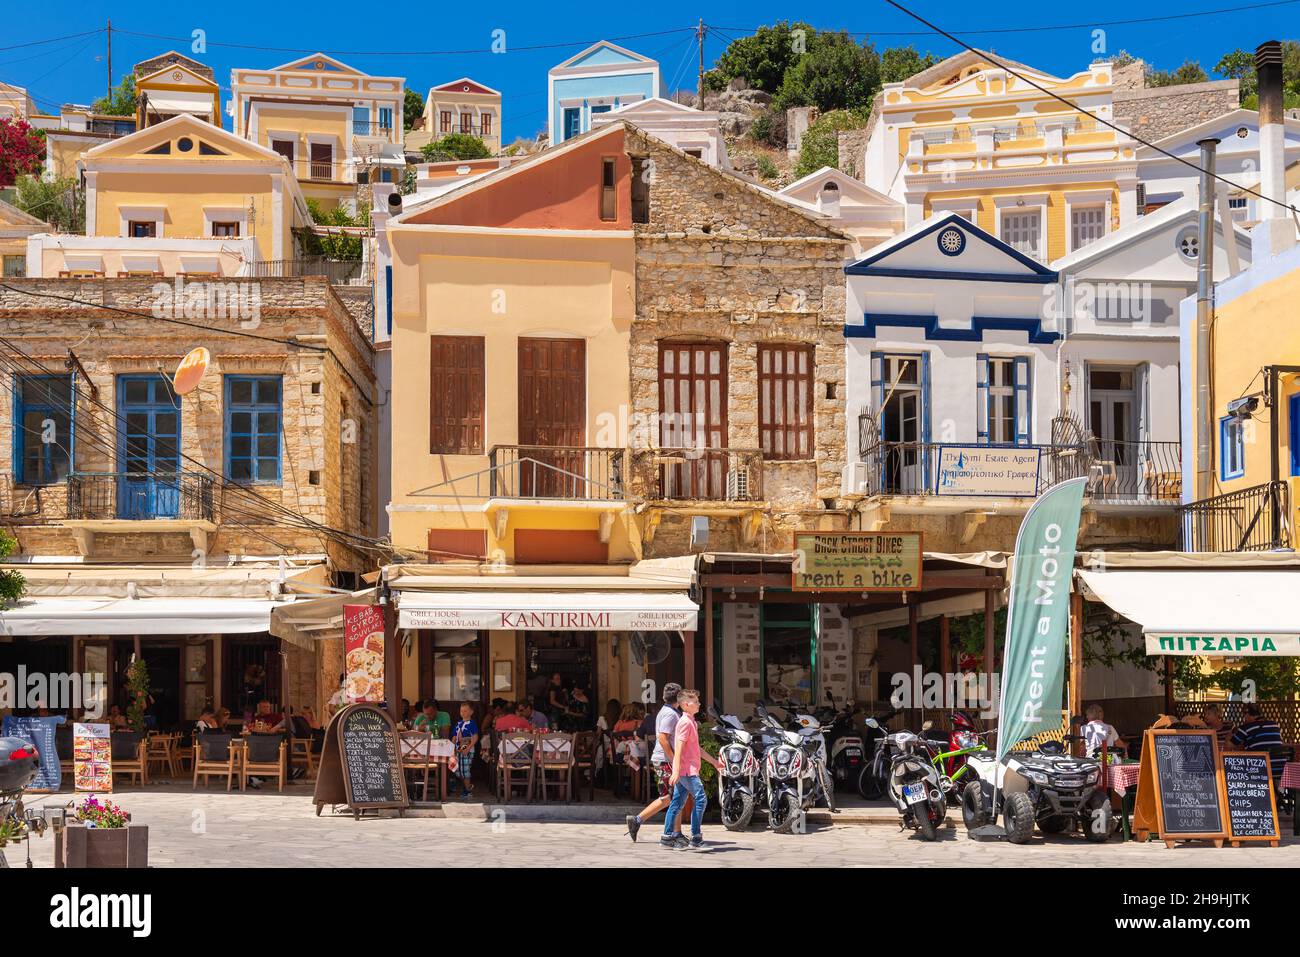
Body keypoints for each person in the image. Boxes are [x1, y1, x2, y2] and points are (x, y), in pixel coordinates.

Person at [660, 689, 723, 850]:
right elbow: (679, 748)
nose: (699, 704)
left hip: (686, 770)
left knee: (677, 802)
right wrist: (675, 770)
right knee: (701, 799)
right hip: (687, 771)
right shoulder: (685, 723)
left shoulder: (691, 722)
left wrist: (714, 762)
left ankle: (667, 837)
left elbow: (697, 749)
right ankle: (696, 838)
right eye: (696, 702)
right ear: (686, 705)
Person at [626, 683, 687, 842]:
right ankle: (640, 821)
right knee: (672, 796)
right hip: (665, 759)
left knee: (673, 795)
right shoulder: (670, 714)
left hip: (664, 759)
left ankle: (676, 832)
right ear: (679, 698)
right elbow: (662, 737)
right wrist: (674, 760)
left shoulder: (668, 711)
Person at [1231, 702, 1287, 780]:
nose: (1244, 717)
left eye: (1244, 714)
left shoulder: (1246, 728)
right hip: (1281, 769)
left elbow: (1230, 745)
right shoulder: (1274, 725)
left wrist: (1230, 732)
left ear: (1247, 714)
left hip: (1260, 771)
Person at [451, 702, 480, 800]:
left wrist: (468, 748)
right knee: (458, 770)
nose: (463, 713)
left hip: (467, 749)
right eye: (461, 711)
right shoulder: (459, 723)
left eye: (465, 711)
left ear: (471, 712)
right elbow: (454, 736)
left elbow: (475, 737)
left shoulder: (472, 723)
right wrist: (452, 747)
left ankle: (467, 791)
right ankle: (468, 786)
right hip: (459, 749)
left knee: (465, 769)